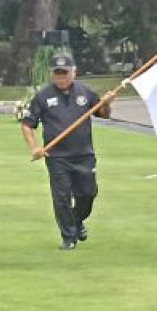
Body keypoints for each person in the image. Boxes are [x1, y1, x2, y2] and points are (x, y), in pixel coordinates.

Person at [20, 53, 108, 250]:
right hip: (57, 156)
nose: (61, 77)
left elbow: (103, 113)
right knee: (61, 198)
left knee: (88, 194)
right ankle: (69, 237)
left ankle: (77, 221)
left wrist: (107, 102)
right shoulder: (43, 96)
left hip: (84, 154)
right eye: (58, 73)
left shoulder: (86, 92)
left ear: (74, 72)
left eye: (65, 73)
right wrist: (35, 147)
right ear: (52, 74)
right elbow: (27, 125)